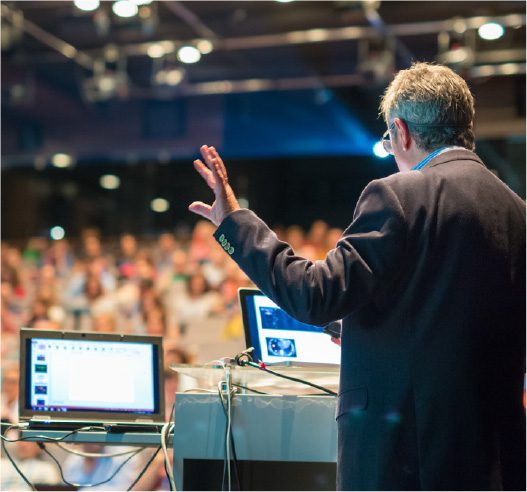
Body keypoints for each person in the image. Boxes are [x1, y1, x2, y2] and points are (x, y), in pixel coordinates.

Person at [188, 62, 525, 490]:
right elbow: (451, 317)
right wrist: (370, 330)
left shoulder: (400, 194)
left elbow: (314, 295)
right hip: (496, 462)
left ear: (401, 132)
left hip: (404, 459)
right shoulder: (517, 211)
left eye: (389, 138)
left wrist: (234, 222)